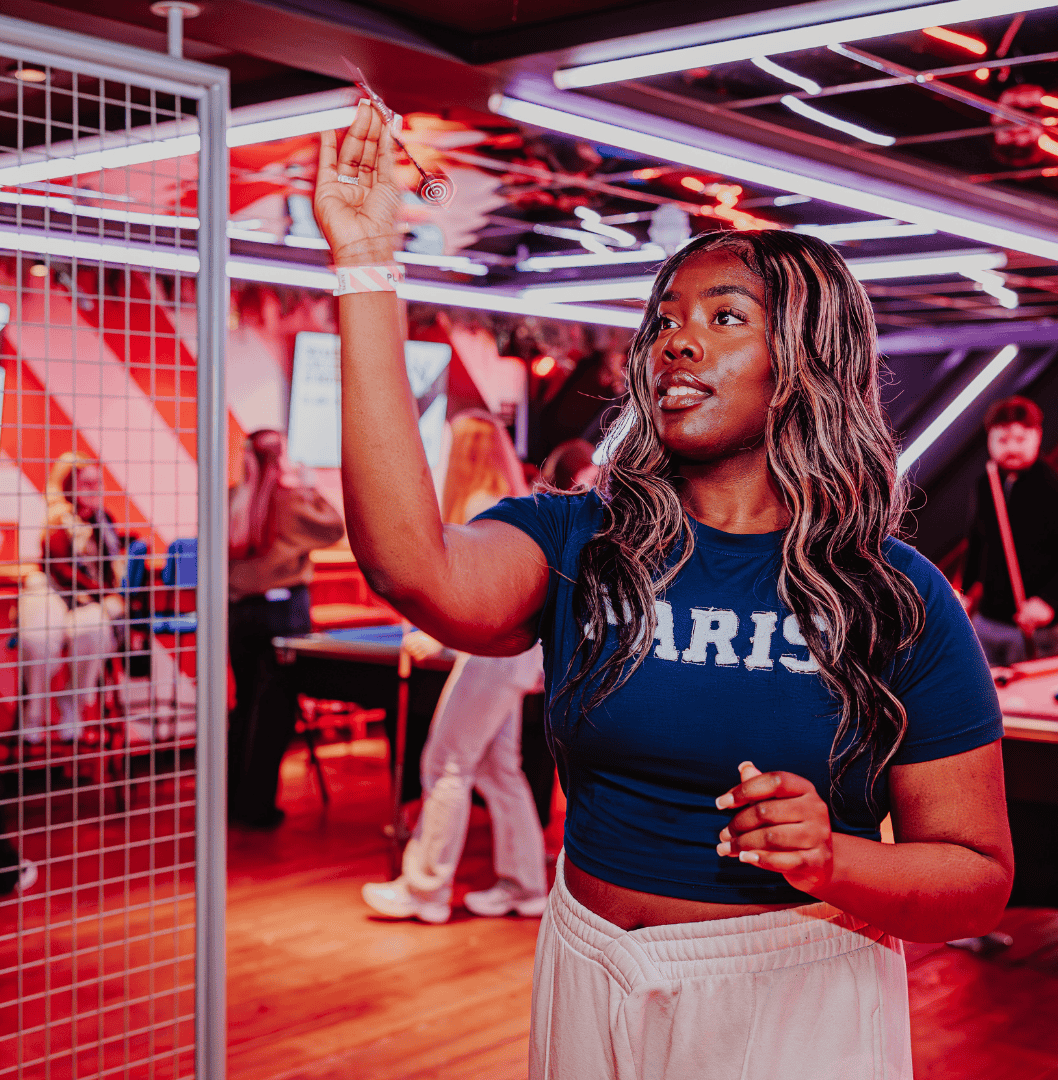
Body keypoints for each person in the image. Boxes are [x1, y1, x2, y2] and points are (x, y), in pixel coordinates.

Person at [314, 104, 1013, 1079]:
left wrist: (834, 860)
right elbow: (413, 571)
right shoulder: (579, 540)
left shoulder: (898, 597)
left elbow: (978, 881)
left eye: (723, 318)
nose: (676, 343)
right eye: (666, 322)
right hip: (585, 962)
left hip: (790, 987)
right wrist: (365, 263)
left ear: (804, 361)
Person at [362, 411, 548, 924]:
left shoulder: (478, 506)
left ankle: (425, 889)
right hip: (511, 657)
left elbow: (478, 602)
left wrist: (434, 635)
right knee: (498, 771)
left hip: (490, 657)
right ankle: (525, 885)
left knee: (445, 762)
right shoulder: (510, 502)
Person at [228, 430, 344, 828]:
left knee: (244, 707)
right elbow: (334, 528)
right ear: (280, 460)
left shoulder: (231, 500)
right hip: (282, 615)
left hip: (239, 615)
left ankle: (232, 801)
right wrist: (311, 488)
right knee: (274, 711)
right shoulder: (291, 501)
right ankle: (257, 808)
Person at [961, 396, 1058, 667]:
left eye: (1020, 439)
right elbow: (977, 542)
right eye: (1002, 440)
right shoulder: (985, 483)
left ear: (1037, 437)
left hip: (1043, 626)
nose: (1011, 448)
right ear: (989, 440)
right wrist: (966, 595)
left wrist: (1047, 601)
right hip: (989, 620)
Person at [18, 453, 122, 743]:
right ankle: (34, 710)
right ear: (68, 485)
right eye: (86, 483)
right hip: (52, 591)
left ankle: (72, 706)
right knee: (39, 636)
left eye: (98, 482)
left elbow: (109, 565)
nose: (94, 489)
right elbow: (60, 569)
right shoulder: (56, 518)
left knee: (96, 628)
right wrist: (102, 591)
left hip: (87, 600)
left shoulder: (103, 519)